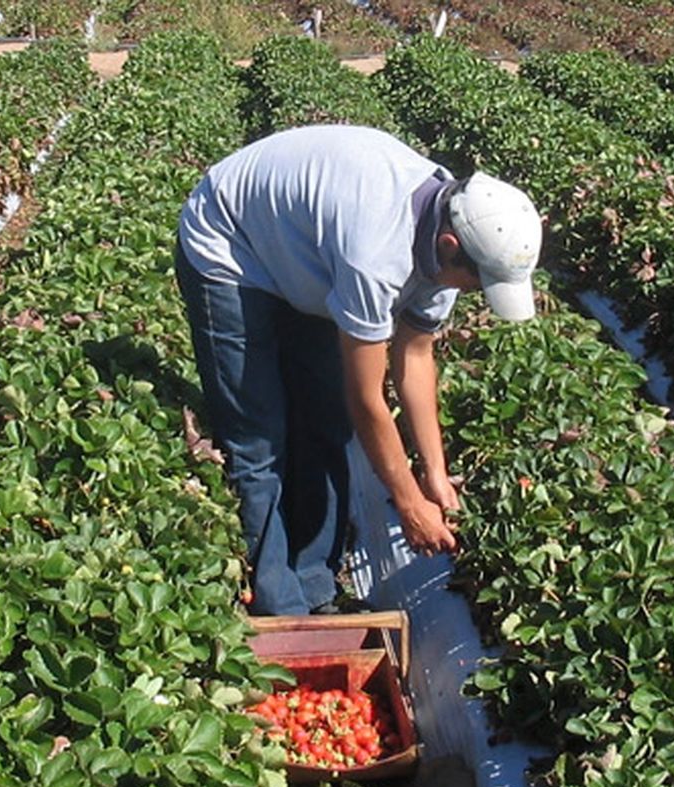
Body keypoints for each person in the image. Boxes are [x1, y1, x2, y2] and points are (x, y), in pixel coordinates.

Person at [175, 124, 542, 616]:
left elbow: (413, 357)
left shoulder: (455, 230)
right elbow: (367, 398)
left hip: (303, 252)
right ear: (451, 246)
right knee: (260, 437)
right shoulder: (376, 251)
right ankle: (278, 605)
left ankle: (316, 585)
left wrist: (434, 473)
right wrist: (408, 504)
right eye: (478, 283)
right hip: (231, 243)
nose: (474, 293)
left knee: (326, 423)